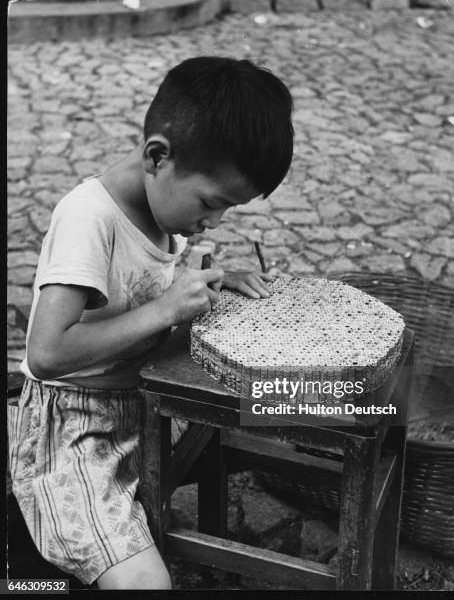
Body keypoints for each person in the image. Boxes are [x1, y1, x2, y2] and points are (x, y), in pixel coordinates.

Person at [7, 56, 294, 589]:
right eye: (212, 203)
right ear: (157, 157)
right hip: (73, 426)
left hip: (142, 402)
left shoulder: (164, 209)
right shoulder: (89, 219)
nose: (214, 221)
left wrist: (211, 281)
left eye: (230, 210)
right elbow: (47, 353)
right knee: (146, 584)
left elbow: (146, 284)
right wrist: (164, 311)